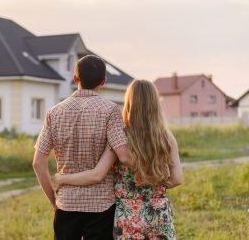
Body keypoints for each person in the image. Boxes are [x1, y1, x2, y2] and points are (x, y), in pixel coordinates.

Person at [55, 79, 183, 239]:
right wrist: (154, 184)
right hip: (158, 212)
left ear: (129, 103)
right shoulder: (167, 138)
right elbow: (177, 178)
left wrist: (62, 178)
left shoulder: (119, 138)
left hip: (127, 215)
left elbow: (97, 174)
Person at [33, 55, 130, 240]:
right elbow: (123, 154)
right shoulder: (110, 111)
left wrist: (54, 200)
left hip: (66, 204)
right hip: (101, 206)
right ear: (103, 81)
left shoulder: (54, 113)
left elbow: (38, 163)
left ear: (75, 78)